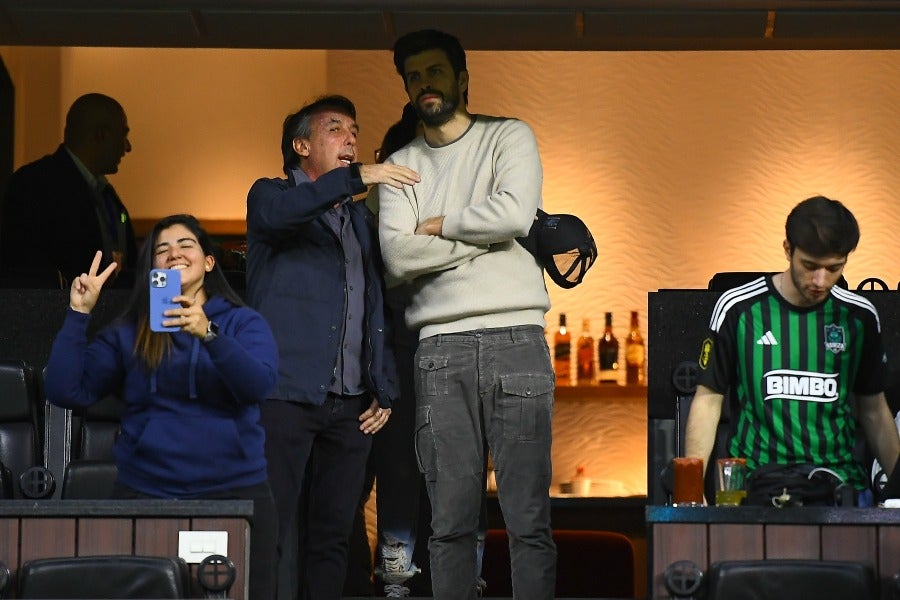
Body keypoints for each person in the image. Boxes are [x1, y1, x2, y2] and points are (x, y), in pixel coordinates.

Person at [378, 29, 557, 600]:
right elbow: (398, 255)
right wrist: (485, 236)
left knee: (528, 519)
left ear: (461, 79)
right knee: (449, 522)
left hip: (516, 338)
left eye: (435, 71)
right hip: (439, 347)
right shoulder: (400, 165)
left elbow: (514, 211)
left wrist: (440, 223)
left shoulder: (510, 136)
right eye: (414, 76)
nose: (425, 83)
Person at [43, 214, 280, 599]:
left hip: (235, 494)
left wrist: (208, 333)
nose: (174, 254)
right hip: (146, 493)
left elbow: (258, 385)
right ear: (153, 269)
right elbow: (66, 391)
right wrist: (78, 313)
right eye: (161, 250)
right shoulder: (130, 330)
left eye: (186, 245)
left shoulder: (242, 322)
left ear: (209, 261)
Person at [245, 94, 419, 600]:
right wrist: (359, 176)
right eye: (335, 129)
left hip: (350, 406)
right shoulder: (270, 196)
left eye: (354, 131)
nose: (351, 139)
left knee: (333, 540)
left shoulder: (359, 223)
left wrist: (382, 388)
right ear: (301, 145)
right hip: (283, 395)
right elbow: (287, 214)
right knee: (273, 532)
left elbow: (375, 311)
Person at [684, 195, 900, 506]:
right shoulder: (738, 309)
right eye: (810, 266)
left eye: (834, 268)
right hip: (755, 489)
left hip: (840, 489)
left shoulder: (860, 317)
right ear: (788, 250)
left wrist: (897, 493)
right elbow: (707, 401)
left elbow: (874, 412)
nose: (820, 280)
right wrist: (692, 496)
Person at [0, 93, 137, 284]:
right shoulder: (33, 185)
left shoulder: (108, 197)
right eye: (123, 135)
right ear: (101, 135)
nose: (128, 147)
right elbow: (25, 273)